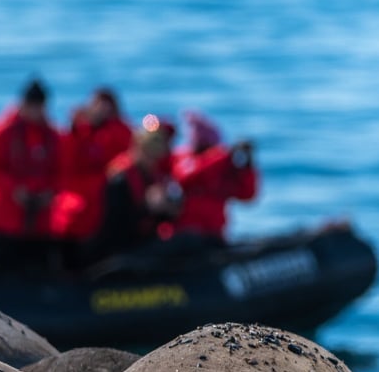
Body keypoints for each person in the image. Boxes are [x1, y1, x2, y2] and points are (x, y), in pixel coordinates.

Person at [0, 78, 67, 272]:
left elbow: (61, 170)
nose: (36, 112)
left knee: (38, 266)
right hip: (6, 216)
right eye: (32, 106)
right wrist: (14, 189)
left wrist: (51, 192)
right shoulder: (0, 130)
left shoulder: (52, 133)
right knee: (5, 269)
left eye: (40, 107)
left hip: (41, 216)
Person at [55, 86, 135, 263]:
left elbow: (124, 157)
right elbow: (66, 161)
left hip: (104, 200)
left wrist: (108, 124)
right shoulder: (78, 132)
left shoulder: (120, 131)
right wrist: (76, 126)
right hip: (76, 200)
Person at [94, 114, 183, 258]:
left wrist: (167, 208)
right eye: (148, 153)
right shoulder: (119, 178)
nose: (152, 160)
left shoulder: (151, 175)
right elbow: (115, 224)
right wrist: (147, 208)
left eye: (155, 156)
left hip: (140, 241)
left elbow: (161, 219)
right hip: (119, 247)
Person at [169, 109, 259, 242]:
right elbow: (185, 176)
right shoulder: (182, 157)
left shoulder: (223, 169)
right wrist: (224, 155)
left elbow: (247, 194)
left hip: (215, 235)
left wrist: (248, 167)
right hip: (183, 235)